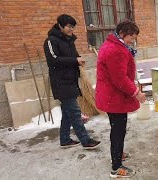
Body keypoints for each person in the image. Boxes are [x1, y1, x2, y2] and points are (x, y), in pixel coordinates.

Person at [95, 20, 146, 178]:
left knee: (117, 129)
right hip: (114, 97)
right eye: (131, 37)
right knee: (118, 131)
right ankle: (116, 167)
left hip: (112, 96)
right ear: (122, 33)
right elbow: (119, 78)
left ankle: (118, 154)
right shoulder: (116, 50)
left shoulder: (113, 44)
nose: (133, 40)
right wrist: (136, 92)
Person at [43, 14, 101, 150]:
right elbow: (53, 60)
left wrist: (79, 60)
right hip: (60, 82)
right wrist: (74, 60)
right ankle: (86, 141)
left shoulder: (68, 40)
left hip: (71, 80)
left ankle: (64, 139)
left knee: (67, 113)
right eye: (69, 26)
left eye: (73, 27)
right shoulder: (51, 41)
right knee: (75, 113)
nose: (71, 30)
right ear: (60, 25)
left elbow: (73, 56)